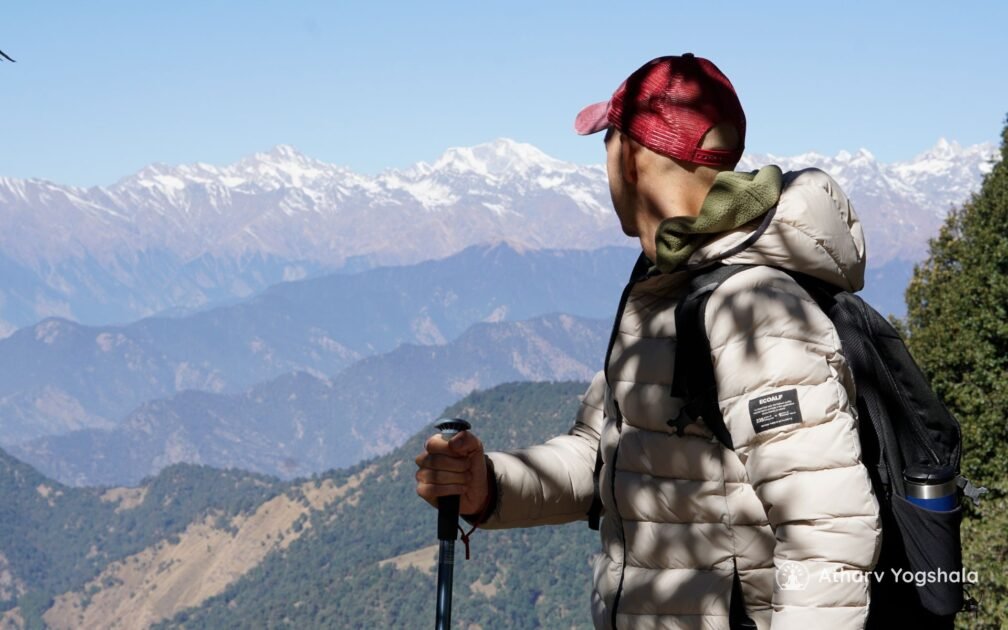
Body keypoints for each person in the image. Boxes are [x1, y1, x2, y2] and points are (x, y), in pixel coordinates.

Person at [415, 53, 882, 629]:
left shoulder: (753, 310)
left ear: (629, 157)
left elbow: (830, 533)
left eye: (607, 142)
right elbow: (606, 454)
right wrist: (486, 484)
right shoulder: (663, 283)